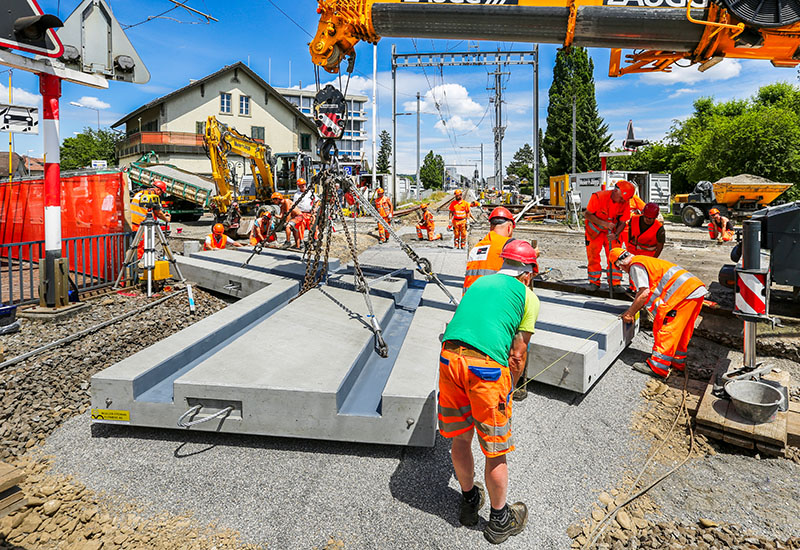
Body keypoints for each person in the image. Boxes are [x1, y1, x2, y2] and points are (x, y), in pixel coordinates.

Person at [438, 240, 539, 544]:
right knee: (495, 449)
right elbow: (517, 356)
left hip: (449, 359)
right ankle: (499, 521)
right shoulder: (527, 296)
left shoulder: (480, 283)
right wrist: (509, 390)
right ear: (528, 273)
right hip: (485, 370)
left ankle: (469, 501)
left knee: (461, 437)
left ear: (503, 264)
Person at [611, 248, 706, 377]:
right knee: (682, 330)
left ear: (619, 263)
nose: (621, 270)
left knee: (668, 329)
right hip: (694, 292)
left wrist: (629, 313)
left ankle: (657, 367)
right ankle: (677, 361)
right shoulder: (643, 260)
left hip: (683, 295)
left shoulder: (636, 266)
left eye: (619, 267)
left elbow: (644, 293)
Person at [464, 206, 532, 292]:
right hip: (495, 301)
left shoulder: (476, 248)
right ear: (509, 227)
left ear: (491, 226)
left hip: (469, 301)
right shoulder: (509, 246)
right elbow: (525, 276)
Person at [584, 180, 634, 289]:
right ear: (615, 191)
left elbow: (622, 222)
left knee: (616, 257)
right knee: (593, 256)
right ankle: (594, 282)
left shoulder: (625, 202)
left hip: (612, 233)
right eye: (621, 198)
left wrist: (616, 235)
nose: (622, 201)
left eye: (623, 200)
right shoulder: (598, 197)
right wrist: (604, 224)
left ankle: (615, 283)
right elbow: (587, 214)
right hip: (594, 232)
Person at [130, 180, 171, 259]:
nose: (160, 194)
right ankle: (135, 266)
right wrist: (166, 219)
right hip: (140, 224)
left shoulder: (140, 193)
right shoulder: (153, 196)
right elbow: (158, 213)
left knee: (133, 245)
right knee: (140, 247)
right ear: (158, 190)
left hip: (132, 223)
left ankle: (132, 264)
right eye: (161, 192)